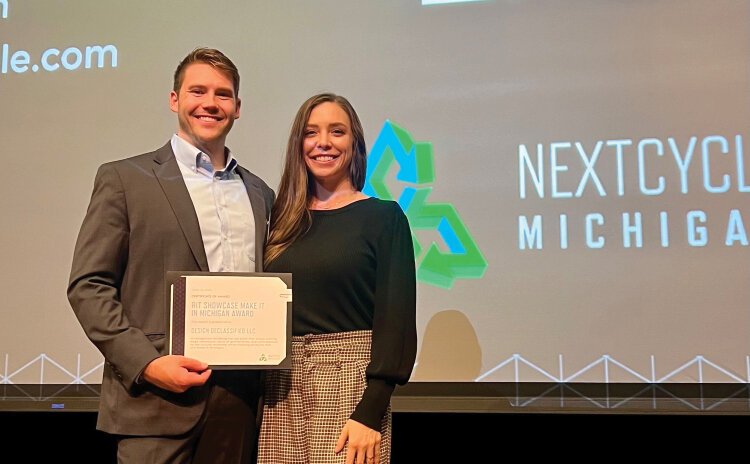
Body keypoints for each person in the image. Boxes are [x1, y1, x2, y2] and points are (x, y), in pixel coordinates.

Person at [67, 47, 274, 463]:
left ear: (237, 108)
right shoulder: (124, 179)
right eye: (198, 91)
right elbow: (88, 286)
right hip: (154, 402)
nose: (210, 103)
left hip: (239, 403)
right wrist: (146, 364)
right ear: (175, 99)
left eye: (223, 94)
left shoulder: (261, 194)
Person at [258, 93, 417, 464]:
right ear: (299, 144)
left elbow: (396, 320)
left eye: (337, 131)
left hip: (350, 383)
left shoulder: (383, 218)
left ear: (355, 144)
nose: (323, 142)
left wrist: (370, 409)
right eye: (311, 132)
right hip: (280, 385)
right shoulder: (279, 221)